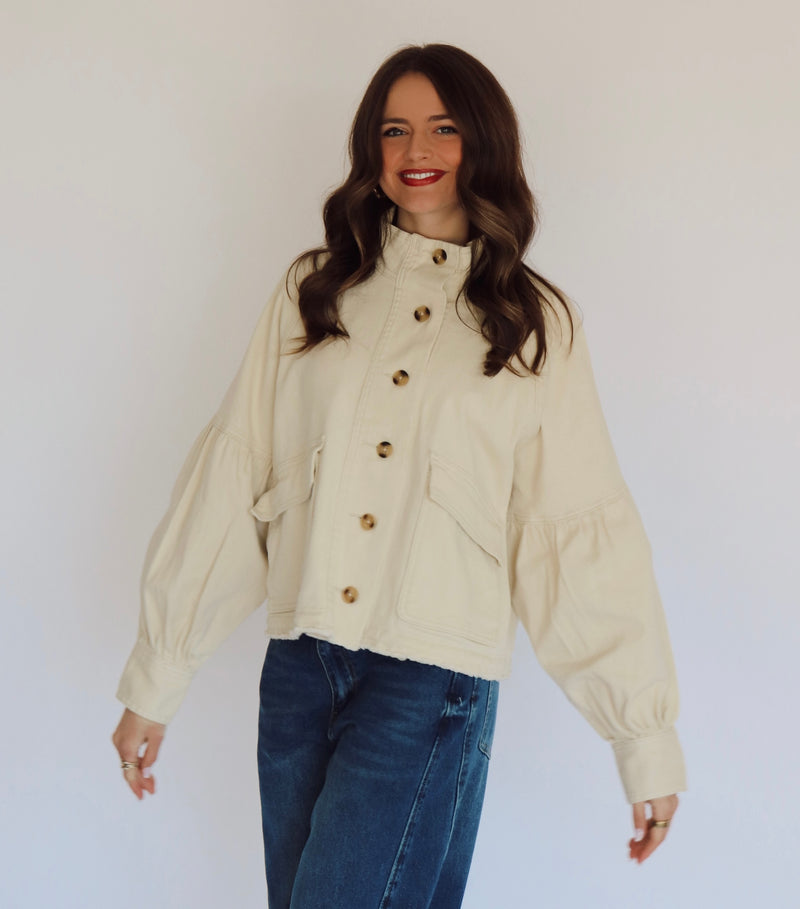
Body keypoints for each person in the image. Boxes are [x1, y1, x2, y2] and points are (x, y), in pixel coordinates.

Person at [112, 43, 686, 908]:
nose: (416, 148)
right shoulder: (315, 291)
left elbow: (573, 530)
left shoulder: (533, 323)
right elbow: (236, 477)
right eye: (394, 129)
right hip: (300, 669)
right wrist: (156, 677)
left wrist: (642, 738)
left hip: (429, 681)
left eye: (443, 128)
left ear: (481, 143)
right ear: (371, 151)